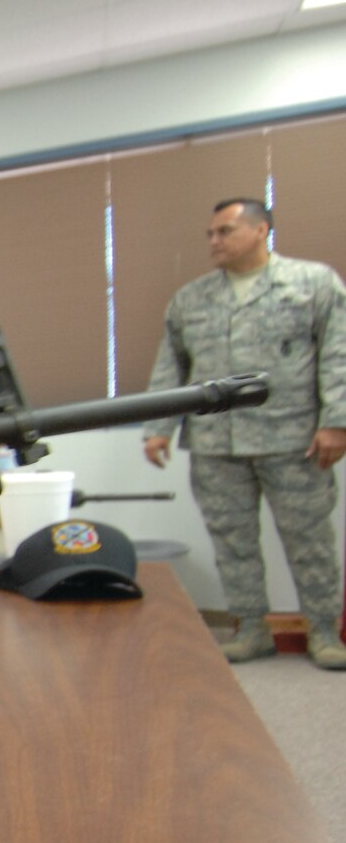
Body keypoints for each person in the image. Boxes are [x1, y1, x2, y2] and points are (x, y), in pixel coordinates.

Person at [143, 198, 346, 669]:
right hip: (216, 443)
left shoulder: (312, 284)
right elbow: (170, 366)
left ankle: (324, 633)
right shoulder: (190, 299)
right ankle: (251, 629)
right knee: (232, 543)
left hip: (293, 439)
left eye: (225, 231)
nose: (214, 241)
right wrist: (158, 429)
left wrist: (337, 421)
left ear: (261, 230)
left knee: (309, 541)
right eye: (210, 234)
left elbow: (339, 355)